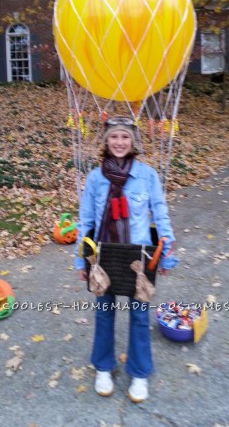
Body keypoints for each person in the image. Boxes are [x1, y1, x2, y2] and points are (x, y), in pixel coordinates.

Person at [74, 116, 178, 402]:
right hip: (103, 254)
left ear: (133, 141)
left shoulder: (148, 176)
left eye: (125, 137)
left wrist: (166, 256)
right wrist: (80, 260)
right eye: (114, 137)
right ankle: (104, 367)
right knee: (104, 312)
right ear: (106, 141)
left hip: (138, 256)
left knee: (140, 316)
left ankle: (139, 373)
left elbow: (160, 213)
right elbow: (85, 221)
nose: (119, 142)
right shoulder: (95, 178)